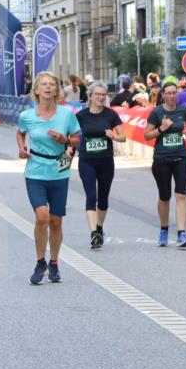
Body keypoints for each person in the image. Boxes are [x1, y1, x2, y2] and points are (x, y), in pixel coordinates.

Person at [16, 71, 81, 284]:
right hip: (35, 170)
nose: (48, 87)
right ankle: (40, 261)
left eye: (52, 84)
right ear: (36, 90)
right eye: (43, 84)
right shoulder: (27, 116)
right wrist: (22, 148)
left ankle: (54, 262)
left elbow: (77, 140)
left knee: (56, 221)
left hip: (59, 170)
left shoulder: (66, 114)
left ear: (56, 90)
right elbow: (20, 132)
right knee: (42, 217)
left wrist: (65, 140)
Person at [75, 81, 126, 250]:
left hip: (106, 162)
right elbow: (72, 135)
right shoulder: (81, 116)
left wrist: (114, 136)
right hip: (87, 161)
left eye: (104, 95)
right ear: (90, 96)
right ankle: (93, 233)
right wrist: (68, 149)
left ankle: (99, 227)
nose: (101, 97)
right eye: (97, 94)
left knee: (103, 200)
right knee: (91, 197)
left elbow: (123, 137)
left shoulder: (111, 115)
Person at [144, 81, 186, 249]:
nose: (172, 96)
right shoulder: (157, 112)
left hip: (181, 157)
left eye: (174, 93)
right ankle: (164, 229)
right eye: (168, 93)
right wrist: (162, 129)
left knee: (181, 194)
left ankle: (182, 233)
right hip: (162, 159)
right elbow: (147, 135)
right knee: (164, 197)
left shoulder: (183, 110)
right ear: (163, 95)